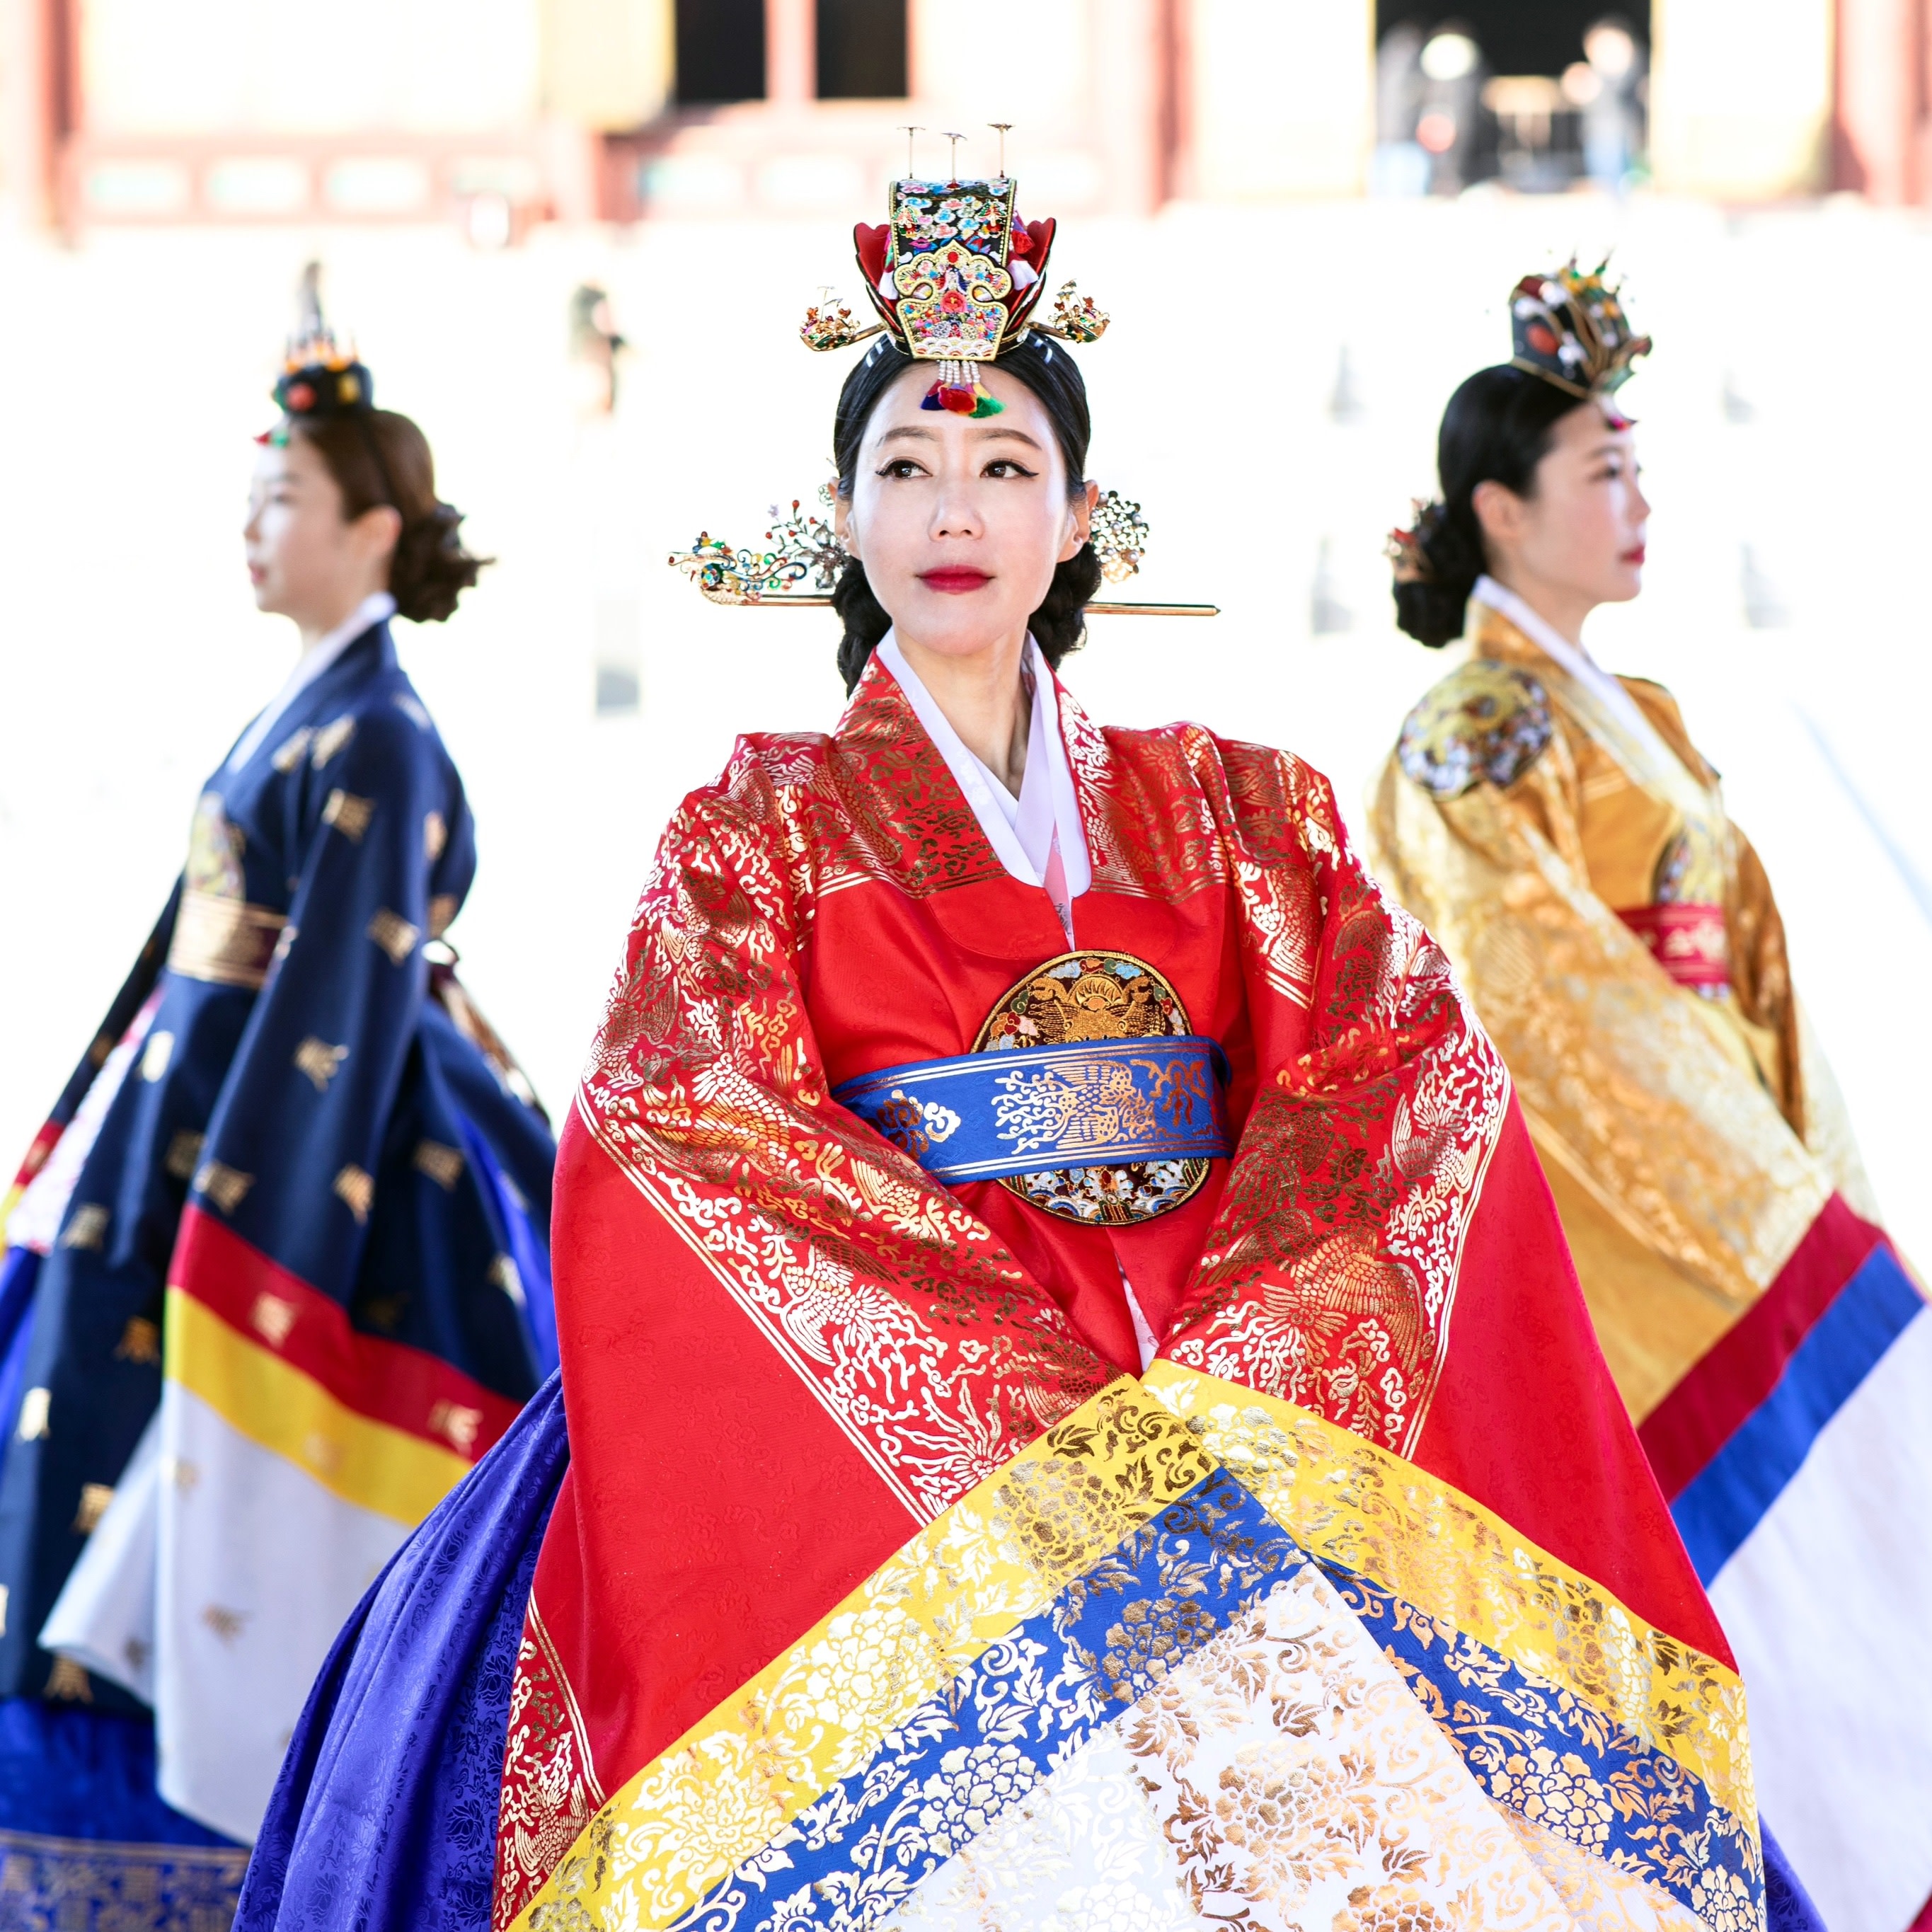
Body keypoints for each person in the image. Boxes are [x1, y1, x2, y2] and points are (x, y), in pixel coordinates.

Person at [243, 186, 1799, 1932]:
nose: (952, 511)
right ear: (841, 516)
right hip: (881, 1430)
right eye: (904, 467)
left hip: (1223, 1376)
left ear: (1077, 516)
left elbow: (1404, 1065)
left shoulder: (1238, 809)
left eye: (1003, 468)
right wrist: (1010, 1399)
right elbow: (679, 1125)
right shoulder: (756, 832)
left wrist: (1243, 1361)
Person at [1370, 263, 1930, 1932]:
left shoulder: (1645, 716)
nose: (1639, 505)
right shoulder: (1470, 736)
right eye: (1603, 472)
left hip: (1739, 1176)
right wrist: (1756, 1199)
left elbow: (1752, 981)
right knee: (1723, 1598)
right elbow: (1546, 1003)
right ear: (1502, 510)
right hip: (1621, 1239)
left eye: (1640, 470)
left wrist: (1818, 1189)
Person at [0, 291, 558, 1923]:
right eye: (253, 496)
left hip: (300, 1152)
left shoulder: (380, 731)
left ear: (373, 528)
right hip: (197, 1118)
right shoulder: (314, 708)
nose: (255, 526)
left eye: (286, 499)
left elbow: (337, 1007)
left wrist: (250, 1249)